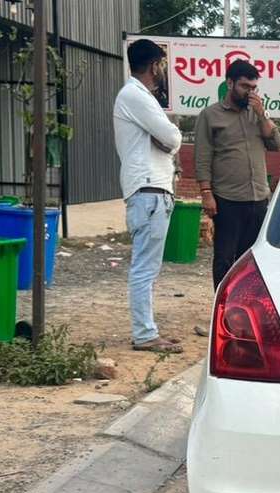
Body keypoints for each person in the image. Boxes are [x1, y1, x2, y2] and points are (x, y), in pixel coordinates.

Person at [113, 38, 184, 354]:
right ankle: (144, 335)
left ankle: (148, 330)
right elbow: (171, 137)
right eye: (162, 65)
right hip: (148, 190)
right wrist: (169, 139)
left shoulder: (140, 97)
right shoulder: (135, 96)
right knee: (144, 267)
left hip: (151, 190)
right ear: (155, 65)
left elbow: (167, 141)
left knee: (148, 267)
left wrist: (167, 141)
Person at [194, 61, 280, 288]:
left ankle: (244, 312)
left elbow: (276, 144)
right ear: (230, 83)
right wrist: (206, 193)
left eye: (254, 87)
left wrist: (262, 115)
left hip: (258, 199)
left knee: (252, 261)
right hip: (227, 200)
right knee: (224, 260)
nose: (250, 92)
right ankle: (221, 312)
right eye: (245, 86)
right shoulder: (210, 115)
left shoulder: (257, 114)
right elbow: (202, 157)